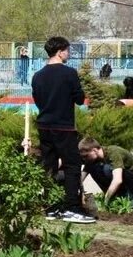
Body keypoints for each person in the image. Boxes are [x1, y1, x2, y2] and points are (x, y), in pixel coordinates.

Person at [31, 36, 95, 223]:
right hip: (64, 127)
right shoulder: (69, 74)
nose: (69, 54)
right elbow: (79, 99)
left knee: (48, 166)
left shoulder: (38, 76)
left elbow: (38, 100)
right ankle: (72, 208)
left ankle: (50, 207)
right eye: (67, 50)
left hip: (44, 125)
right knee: (72, 166)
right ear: (60, 51)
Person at [79, 136, 133, 202]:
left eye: (86, 156)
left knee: (107, 169)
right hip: (124, 182)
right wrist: (81, 194)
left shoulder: (113, 152)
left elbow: (118, 180)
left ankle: (130, 198)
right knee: (93, 168)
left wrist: (106, 200)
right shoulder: (92, 160)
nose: (84, 159)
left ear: (94, 150)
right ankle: (115, 196)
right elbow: (80, 179)